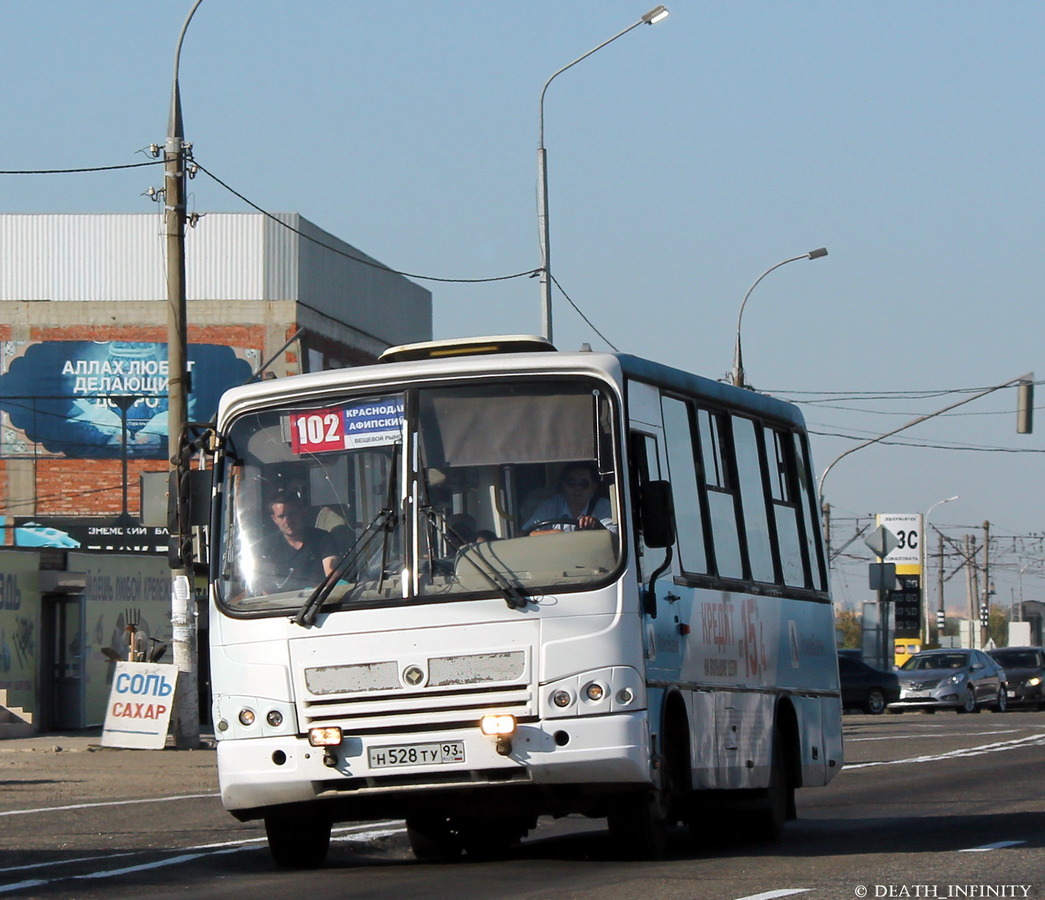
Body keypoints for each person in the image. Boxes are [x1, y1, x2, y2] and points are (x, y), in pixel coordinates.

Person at [258, 492, 338, 587]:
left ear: (302, 512)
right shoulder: (268, 546)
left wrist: (312, 595)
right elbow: (263, 583)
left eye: (292, 514)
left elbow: (333, 576)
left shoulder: (322, 538)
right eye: (281, 516)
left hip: (317, 599)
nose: (287, 521)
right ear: (274, 519)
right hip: (279, 600)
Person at [522, 462, 615, 534]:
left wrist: (598, 527)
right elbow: (523, 533)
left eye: (584, 484)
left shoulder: (603, 506)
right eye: (572, 483)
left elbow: (615, 539)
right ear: (564, 486)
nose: (577, 488)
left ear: (593, 488)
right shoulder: (550, 506)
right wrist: (554, 534)